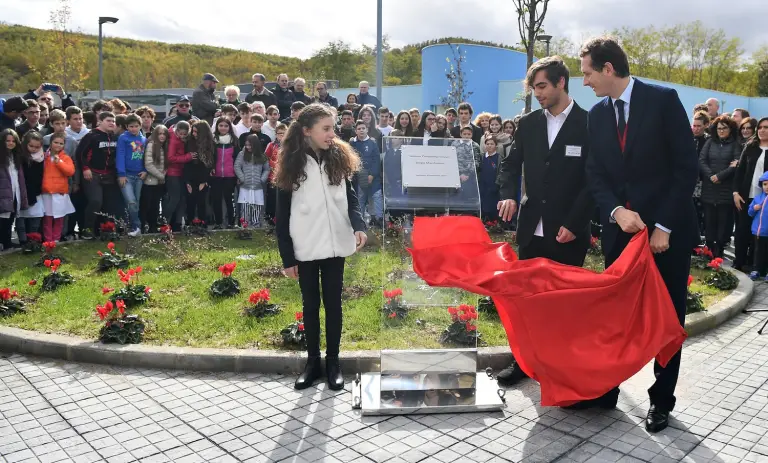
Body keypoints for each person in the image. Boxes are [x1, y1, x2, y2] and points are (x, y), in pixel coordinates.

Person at [580, 37, 698, 433]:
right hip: (620, 236)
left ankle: (661, 400)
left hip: (666, 237)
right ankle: (606, 389)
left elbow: (685, 168)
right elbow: (595, 174)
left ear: (608, 69)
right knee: (615, 316)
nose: (585, 82)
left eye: (588, 73)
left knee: (666, 320)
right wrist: (616, 211)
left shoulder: (663, 100)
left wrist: (663, 225)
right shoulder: (596, 115)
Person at [496, 56, 593, 385]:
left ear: (561, 83)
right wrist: (508, 194)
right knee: (527, 303)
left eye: (541, 86)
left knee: (563, 305)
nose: (536, 93)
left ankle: (559, 367)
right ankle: (522, 363)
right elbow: (510, 165)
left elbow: (593, 181)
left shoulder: (589, 123)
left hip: (569, 233)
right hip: (531, 230)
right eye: (533, 87)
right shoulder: (529, 123)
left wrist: (575, 222)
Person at [274, 104, 367, 390]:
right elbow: (282, 216)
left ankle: (334, 362)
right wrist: (288, 257)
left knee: (334, 305)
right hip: (305, 246)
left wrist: (358, 225)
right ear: (306, 131)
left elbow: (350, 198)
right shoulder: (291, 164)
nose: (332, 134)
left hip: (336, 244)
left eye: (333, 128)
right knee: (310, 305)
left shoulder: (338, 158)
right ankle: (312, 362)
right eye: (326, 129)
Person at [699, 115, 739, 258]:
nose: (721, 131)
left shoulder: (735, 144)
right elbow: (702, 160)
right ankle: (708, 249)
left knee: (723, 222)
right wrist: (711, 175)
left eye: (724, 128)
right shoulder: (710, 142)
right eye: (718, 128)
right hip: (709, 189)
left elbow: (736, 164)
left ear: (730, 129)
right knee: (709, 221)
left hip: (725, 189)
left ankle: (719, 251)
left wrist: (720, 176)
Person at [733, 117, 768, 272]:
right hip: (746, 197)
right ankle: (739, 262)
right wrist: (735, 192)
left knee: (760, 233)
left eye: (766, 127)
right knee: (742, 230)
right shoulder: (750, 146)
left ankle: (756, 265)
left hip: (765, 200)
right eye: (760, 127)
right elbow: (739, 172)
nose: (762, 130)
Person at [77, 112, 118, 239]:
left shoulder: (115, 137)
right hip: (93, 174)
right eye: (108, 120)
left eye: (113, 120)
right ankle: (87, 229)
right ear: (99, 121)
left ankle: (107, 229)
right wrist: (85, 168)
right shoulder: (91, 136)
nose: (112, 123)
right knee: (95, 201)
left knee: (110, 204)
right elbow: (80, 153)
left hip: (109, 175)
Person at [40, 132, 76, 242]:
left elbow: (70, 171)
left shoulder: (65, 157)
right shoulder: (43, 156)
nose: (58, 145)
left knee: (59, 218)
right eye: (56, 142)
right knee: (47, 218)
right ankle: (48, 240)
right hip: (47, 192)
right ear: (50, 143)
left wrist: (59, 162)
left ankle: (55, 240)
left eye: (61, 143)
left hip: (60, 193)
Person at [116, 114, 147, 237]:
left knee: (136, 202)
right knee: (131, 201)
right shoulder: (123, 138)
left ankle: (131, 227)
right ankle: (136, 226)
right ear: (126, 127)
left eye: (136, 126)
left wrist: (145, 170)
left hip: (139, 176)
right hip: (127, 175)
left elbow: (145, 156)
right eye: (131, 126)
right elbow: (120, 155)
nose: (134, 129)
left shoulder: (143, 139)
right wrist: (121, 174)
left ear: (140, 126)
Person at [350, 120, 383, 226]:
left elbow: (376, 160)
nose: (361, 130)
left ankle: (379, 220)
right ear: (356, 131)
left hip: (374, 177)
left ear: (367, 130)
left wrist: (372, 174)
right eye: (359, 129)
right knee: (360, 198)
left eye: (363, 128)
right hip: (359, 178)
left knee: (377, 196)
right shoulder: (352, 143)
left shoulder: (372, 143)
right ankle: (361, 222)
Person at [0, 129, 28, 250]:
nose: (10, 143)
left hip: (14, 192)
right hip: (3, 193)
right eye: (7, 141)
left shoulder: (16, 157)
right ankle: (4, 243)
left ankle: (7, 242)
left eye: (13, 141)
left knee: (10, 218)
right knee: (3, 220)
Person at [16, 131, 46, 246]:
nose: (34, 149)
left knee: (36, 216)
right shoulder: (21, 157)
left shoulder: (42, 157)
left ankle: (33, 239)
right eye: (31, 146)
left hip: (37, 191)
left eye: (37, 147)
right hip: (22, 191)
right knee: (21, 217)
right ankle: (23, 241)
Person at [235, 134, 270, 228]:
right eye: (246, 145)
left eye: (250, 145)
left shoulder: (262, 156)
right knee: (245, 206)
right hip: (245, 186)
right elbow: (237, 166)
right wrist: (242, 178)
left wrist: (262, 180)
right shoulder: (242, 154)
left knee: (257, 205)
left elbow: (267, 169)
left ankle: (256, 224)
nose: (248, 147)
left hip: (257, 186)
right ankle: (245, 223)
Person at [211, 118, 239, 228]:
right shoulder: (212, 140)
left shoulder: (234, 141)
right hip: (215, 176)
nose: (223, 128)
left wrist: (236, 175)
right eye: (221, 125)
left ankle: (231, 223)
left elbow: (237, 159)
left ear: (230, 127)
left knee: (229, 200)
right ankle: (218, 223)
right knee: (216, 200)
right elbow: (210, 158)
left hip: (230, 176)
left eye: (226, 126)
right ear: (217, 127)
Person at [165, 121, 193, 232]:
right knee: (175, 198)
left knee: (180, 199)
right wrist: (187, 157)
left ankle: (175, 223)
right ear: (176, 130)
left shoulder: (176, 138)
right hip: (173, 173)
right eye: (180, 133)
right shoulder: (173, 140)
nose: (182, 136)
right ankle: (163, 221)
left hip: (178, 172)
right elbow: (170, 158)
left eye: (184, 134)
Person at [185, 121, 214, 225]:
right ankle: (190, 222)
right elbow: (187, 164)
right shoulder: (189, 142)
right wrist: (187, 181)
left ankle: (202, 222)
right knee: (190, 201)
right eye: (193, 131)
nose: (194, 134)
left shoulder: (210, 145)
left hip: (203, 177)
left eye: (196, 132)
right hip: (191, 176)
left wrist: (204, 180)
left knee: (202, 202)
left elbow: (209, 165)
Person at [142, 125, 168, 234]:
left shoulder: (164, 146)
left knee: (156, 205)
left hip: (159, 182)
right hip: (150, 181)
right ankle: (144, 225)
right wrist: (161, 176)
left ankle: (153, 226)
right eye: (159, 134)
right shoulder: (151, 145)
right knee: (147, 205)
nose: (162, 136)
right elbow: (148, 165)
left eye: (164, 134)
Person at [264, 123, 287, 223]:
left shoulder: (289, 146)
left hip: (285, 177)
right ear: (276, 134)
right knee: (273, 198)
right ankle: (272, 217)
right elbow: (265, 158)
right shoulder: (271, 145)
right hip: (273, 176)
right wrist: (273, 163)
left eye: (284, 133)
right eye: (279, 133)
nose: (281, 135)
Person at [748, 172, 768, 280]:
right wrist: (754, 208)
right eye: (765, 184)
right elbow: (750, 213)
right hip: (758, 231)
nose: (767, 187)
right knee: (758, 252)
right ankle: (756, 270)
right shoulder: (757, 198)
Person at [479, 136, 502, 221]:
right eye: (487, 144)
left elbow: (501, 172)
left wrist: (497, 184)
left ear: (496, 145)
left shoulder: (499, 158)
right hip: (482, 186)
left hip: (494, 187)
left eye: (492, 144)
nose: (489, 146)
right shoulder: (481, 157)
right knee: (483, 205)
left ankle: (494, 224)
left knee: (493, 206)